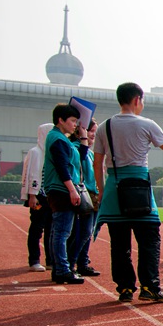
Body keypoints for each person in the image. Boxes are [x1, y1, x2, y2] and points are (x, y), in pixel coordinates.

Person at [93, 82, 163, 303]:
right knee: (149, 240)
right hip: (139, 187)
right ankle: (149, 286)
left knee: (119, 243)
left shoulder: (104, 127)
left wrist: (102, 192)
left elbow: (98, 163)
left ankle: (124, 288)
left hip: (115, 187)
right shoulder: (147, 124)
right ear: (137, 100)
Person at [42, 103, 89, 285]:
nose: (75, 125)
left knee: (61, 231)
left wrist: (83, 137)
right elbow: (62, 167)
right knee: (62, 232)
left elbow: (80, 157)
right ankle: (62, 269)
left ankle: (61, 269)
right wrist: (72, 189)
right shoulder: (57, 139)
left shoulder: (63, 139)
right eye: (72, 121)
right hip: (61, 190)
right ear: (60, 120)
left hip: (62, 189)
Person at [67, 118, 100, 277]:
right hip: (83, 193)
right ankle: (70, 263)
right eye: (91, 131)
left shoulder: (91, 154)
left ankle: (82, 262)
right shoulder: (76, 149)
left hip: (93, 195)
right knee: (83, 231)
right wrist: (83, 139)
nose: (94, 135)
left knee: (89, 231)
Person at [21, 123, 53, 272]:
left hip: (50, 196)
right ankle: (34, 260)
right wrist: (32, 196)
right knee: (37, 228)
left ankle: (50, 260)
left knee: (51, 229)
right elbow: (32, 174)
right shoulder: (36, 152)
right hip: (39, 196)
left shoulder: (50, 153)